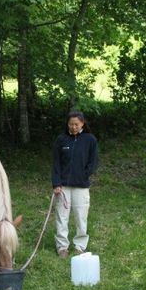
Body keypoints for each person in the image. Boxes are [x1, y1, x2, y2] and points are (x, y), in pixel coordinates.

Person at [52, 110, 99, 259]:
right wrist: (56, 183)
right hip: (63, 187)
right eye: (70, 124)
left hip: (81, 186)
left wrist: (84, 174)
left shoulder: (90, 140)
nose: (73, 127)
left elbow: (94, 162)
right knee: (62, 217)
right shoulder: (61, 140)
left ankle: (80, 246)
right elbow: (56, 164)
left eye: (76, 124)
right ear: (67, 124)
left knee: (81, 217)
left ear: (82, 124)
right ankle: (62, 247)